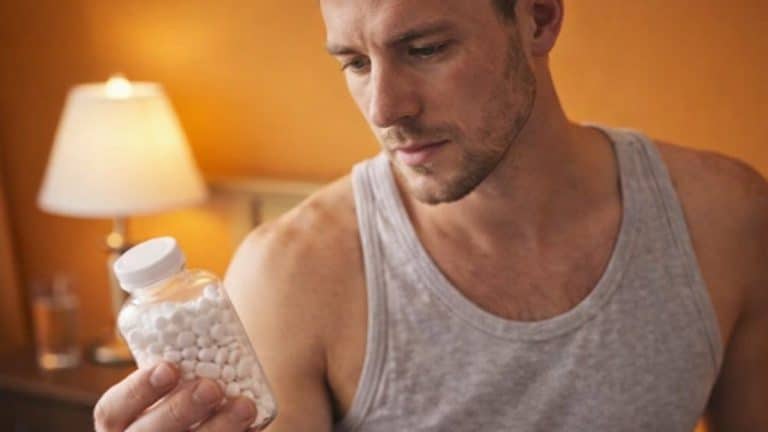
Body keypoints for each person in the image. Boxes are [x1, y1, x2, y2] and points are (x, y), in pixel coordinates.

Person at [93, 0, 768, 430]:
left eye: (424, 49)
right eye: (355, 63)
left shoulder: (724, 220)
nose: (385, 108)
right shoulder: (294, 276)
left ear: (538, 17)